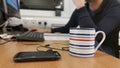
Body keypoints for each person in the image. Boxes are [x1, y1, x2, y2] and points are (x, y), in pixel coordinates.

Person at [31, 0, 120, 58]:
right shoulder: (84, 9)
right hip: (88, 49)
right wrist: (47, 31)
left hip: (107, 51)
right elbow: (67, 28)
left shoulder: (115, 7)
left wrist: (80, 8)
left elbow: (96, 36)